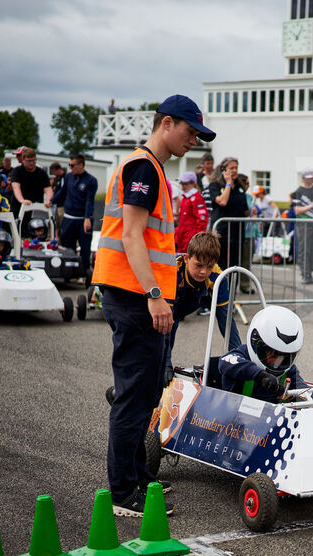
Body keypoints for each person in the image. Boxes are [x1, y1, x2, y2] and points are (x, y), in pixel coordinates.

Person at [92, 93, 215, 516]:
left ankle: (140, 479)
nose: (194, 141)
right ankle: (124, 493)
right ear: (167, 123)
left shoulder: (154, 169)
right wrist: (156, 296)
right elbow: (131, 235)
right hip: (134, 296)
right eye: (190, 131)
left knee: (146, 397)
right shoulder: (143, 166)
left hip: (138, 295)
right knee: (134, 396)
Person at [165, 231, 242, 382]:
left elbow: (226, 322)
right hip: (151, 307)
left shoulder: (217, 277)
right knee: (153, 353)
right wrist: (165, 363)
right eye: (199, 265)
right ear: (186, 258)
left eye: (209, 266)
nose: (203, 272)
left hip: (179, 311)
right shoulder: (172, 270)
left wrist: (240, 359)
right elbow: (165, 320)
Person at [219, 305, 306, 402]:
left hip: (271, 414)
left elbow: (301, 390)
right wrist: (260, 375)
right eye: (272, 354)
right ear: (257, 343)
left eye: (283, 357)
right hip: (234, 413)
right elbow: (224, 362)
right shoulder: (239, 356)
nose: (277, 361)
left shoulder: (288, 369)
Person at [51, 154, 98, 274]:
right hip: (69, 218)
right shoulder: (68, 177)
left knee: (85, 248)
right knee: (67, 247)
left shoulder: (91, 180)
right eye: (69, 165)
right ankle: (69, 272)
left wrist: (87, 217)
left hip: (82, 218)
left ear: (81, 165)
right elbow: (62, 192)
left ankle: (84, 273)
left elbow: (89, 201)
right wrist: (51, 201)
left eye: (72, 165)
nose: (70, 167)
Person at [209, 157, 251, 291]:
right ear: (223, 170)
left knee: (234, 267)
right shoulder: (215, 185)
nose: (234, 171)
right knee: (219, 267)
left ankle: (231, 298)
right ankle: (216, 298)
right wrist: (227, 184)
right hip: (221, 233)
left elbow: (244, 209)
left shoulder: (239, 187)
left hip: (237, 234)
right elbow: (222, 202)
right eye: (231, 168)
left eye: (236, 168)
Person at [290, 167, 313, 284]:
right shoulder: (298, 192)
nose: (312, 180)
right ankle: (305, 273)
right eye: (309, 178)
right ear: (303, 178)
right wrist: (311, 205)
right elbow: (296, 210)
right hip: (303, 224)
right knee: (304, 249)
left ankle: (310, 269)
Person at [9, 147, 52, 220]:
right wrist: (22, 200)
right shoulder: (17, 171)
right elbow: (16, 187)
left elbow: (48, 189)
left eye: (33, 160)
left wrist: (48, 200)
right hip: (19, 209)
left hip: (36, 210)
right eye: (29, 161)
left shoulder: (41, 173)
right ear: (23, 160)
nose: (32, 163)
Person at [174, 171, 207, 252]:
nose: (183, 186)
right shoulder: (185, 197)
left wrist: (197, 240)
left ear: (193, 184)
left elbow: (202, 220)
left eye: (186, 184)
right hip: (182, 238)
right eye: (181, 184)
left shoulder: (197, 198)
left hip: (190, 240)